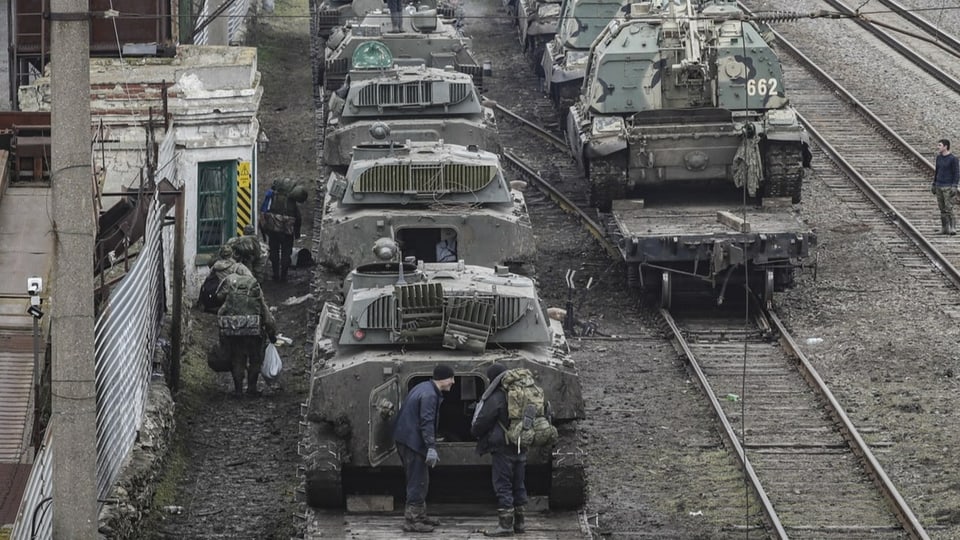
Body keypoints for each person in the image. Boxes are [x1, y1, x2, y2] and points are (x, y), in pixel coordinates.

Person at [392, 364, 456, 532]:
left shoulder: (424, 387)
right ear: (443, 379)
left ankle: (420, 515)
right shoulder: (429, 395)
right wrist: (431, 447)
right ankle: (412, 521)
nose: (453, 382)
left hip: (407, 438)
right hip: (413, 442)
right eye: (451, 378)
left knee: (420, 479)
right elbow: (426, 422)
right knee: (417, 480)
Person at [471, 363, 528, 536]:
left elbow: (483, 420)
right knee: (519, 484)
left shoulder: (497, 396)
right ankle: (520, 524)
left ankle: (505, 526)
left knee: (503, 485)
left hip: (502, 446)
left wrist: (475, 432)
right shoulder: (523, 391)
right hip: (521, 444)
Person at [216, 272, 277, 397]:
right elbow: (268, 319)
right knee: (255, 360)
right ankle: (251, 388)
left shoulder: (231, 295)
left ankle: (238, 390)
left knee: (237, 359)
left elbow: (221, 313)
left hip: (235, 331)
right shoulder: (256, 295)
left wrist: (222, 335)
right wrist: (272, 335)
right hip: (254, 333)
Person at [260, 177, 308, 281]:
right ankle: (284, 276)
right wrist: (297, 234)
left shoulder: (272, 197)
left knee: (274, 251)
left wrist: (265, 230)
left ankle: (275, 274)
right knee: (286, 252)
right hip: (287, 231)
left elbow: (264, 212)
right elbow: (298, 218)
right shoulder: (291, 201)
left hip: (273, 230)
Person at [198, 245, 253, 313]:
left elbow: (205, 283)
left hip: (211, 301)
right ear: (232, 254)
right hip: (226, 300)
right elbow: (251, 280)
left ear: (220, 254)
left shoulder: (215, 266)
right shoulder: (238, 267)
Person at [932, 138, 960, 235]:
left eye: (939, 145)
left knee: (949, 208)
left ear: (945, 146)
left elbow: (956, 173)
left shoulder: (953, 159)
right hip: (939, 185)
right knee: (942, 207)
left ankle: (953, 228)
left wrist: (954, 186)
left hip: (948, 186)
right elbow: (937, 171)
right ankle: (944, 228)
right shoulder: (939, 158)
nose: (938, 147)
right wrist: (934, 184)